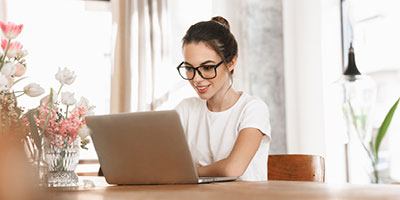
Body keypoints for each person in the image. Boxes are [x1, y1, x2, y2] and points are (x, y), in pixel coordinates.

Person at [175, 16, 271, 181]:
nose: (196, 78)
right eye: (189, 68)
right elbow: (163, 162)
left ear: (231, 62)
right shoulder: (185, 109)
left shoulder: (252, 109)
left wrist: (190, 171)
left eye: (207, 67)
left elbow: (232, 169)